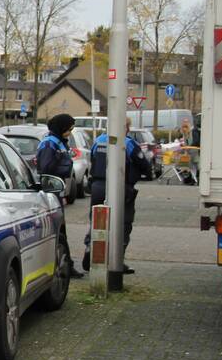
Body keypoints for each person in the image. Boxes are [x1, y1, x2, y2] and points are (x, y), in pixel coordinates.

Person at [82, 117, 152, 274]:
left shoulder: (98, 141)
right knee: (123, 223)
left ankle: (90, 248)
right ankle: (117, 260)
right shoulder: (127, 143)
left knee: (97, 220)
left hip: (98, 186)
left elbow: (92, 161)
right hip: (121, 187)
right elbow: (144, 165)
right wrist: (147, 174)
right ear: (126, 127)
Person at [37, 114, 81, 278]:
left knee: (61, 232)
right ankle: (64, 266)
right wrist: (62, 160)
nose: (70, 132)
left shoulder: (59, 142)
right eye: (69, 129)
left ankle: (66, 264)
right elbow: (46, 168)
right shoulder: (50, 144)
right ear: (61, 127)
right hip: (51, 194)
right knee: (57, 232)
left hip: (58, 191)